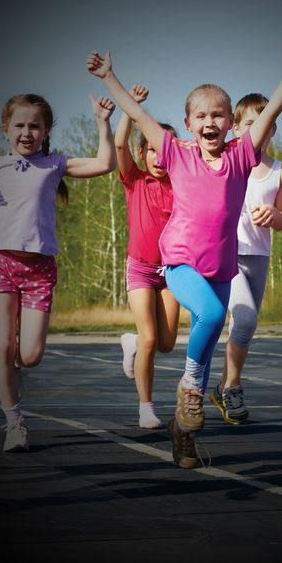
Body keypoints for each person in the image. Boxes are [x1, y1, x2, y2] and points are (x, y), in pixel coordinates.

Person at [88, 43, 282, 468]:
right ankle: (189, 390)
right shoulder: (175, 152)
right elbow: (137, 116)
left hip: (222, 269)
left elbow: (272, 109)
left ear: (230, 123)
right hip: (180, 264)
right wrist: (108, 77)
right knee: (210, 318)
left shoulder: (242, 156)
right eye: (201, 116)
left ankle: (183, 433)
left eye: (218, 115)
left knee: (205, 351)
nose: (210, 122)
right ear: (189, 123)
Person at [0, 93, 116, 451]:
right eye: (19, 125)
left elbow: (105, 163)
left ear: (46, 129)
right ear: (6, 129)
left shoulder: (55, 164)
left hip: (39, 269)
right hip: (1, 263)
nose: (27, 132)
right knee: (3, 347)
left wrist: (102, 121)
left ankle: (16, 373)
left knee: (28, 356)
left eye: (35, 125)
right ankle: (14, 423)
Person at [209, 93, 282, 425]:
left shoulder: (281, 172)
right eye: (249, 125)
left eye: (265, 124)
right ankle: (232, 386)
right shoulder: (225, 162)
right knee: (244, 321)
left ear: (273, 129)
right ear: (235, 128)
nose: (258, 130)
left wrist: (274, 213)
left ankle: (223, 386)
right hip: (228, 253)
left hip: (259, 256)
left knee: (242, 328)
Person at [114, 84, 180, 429]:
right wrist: (131, 108)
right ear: (143, 154)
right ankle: (146, 407)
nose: (157, 156)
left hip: (172, 272)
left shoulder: (182, 186)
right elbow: (120, 144)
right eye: (151, 150)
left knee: (166, 343)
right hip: (140, 268)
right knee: (151, 339)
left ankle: (131, 342)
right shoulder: (134, 180)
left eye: (163, 150)